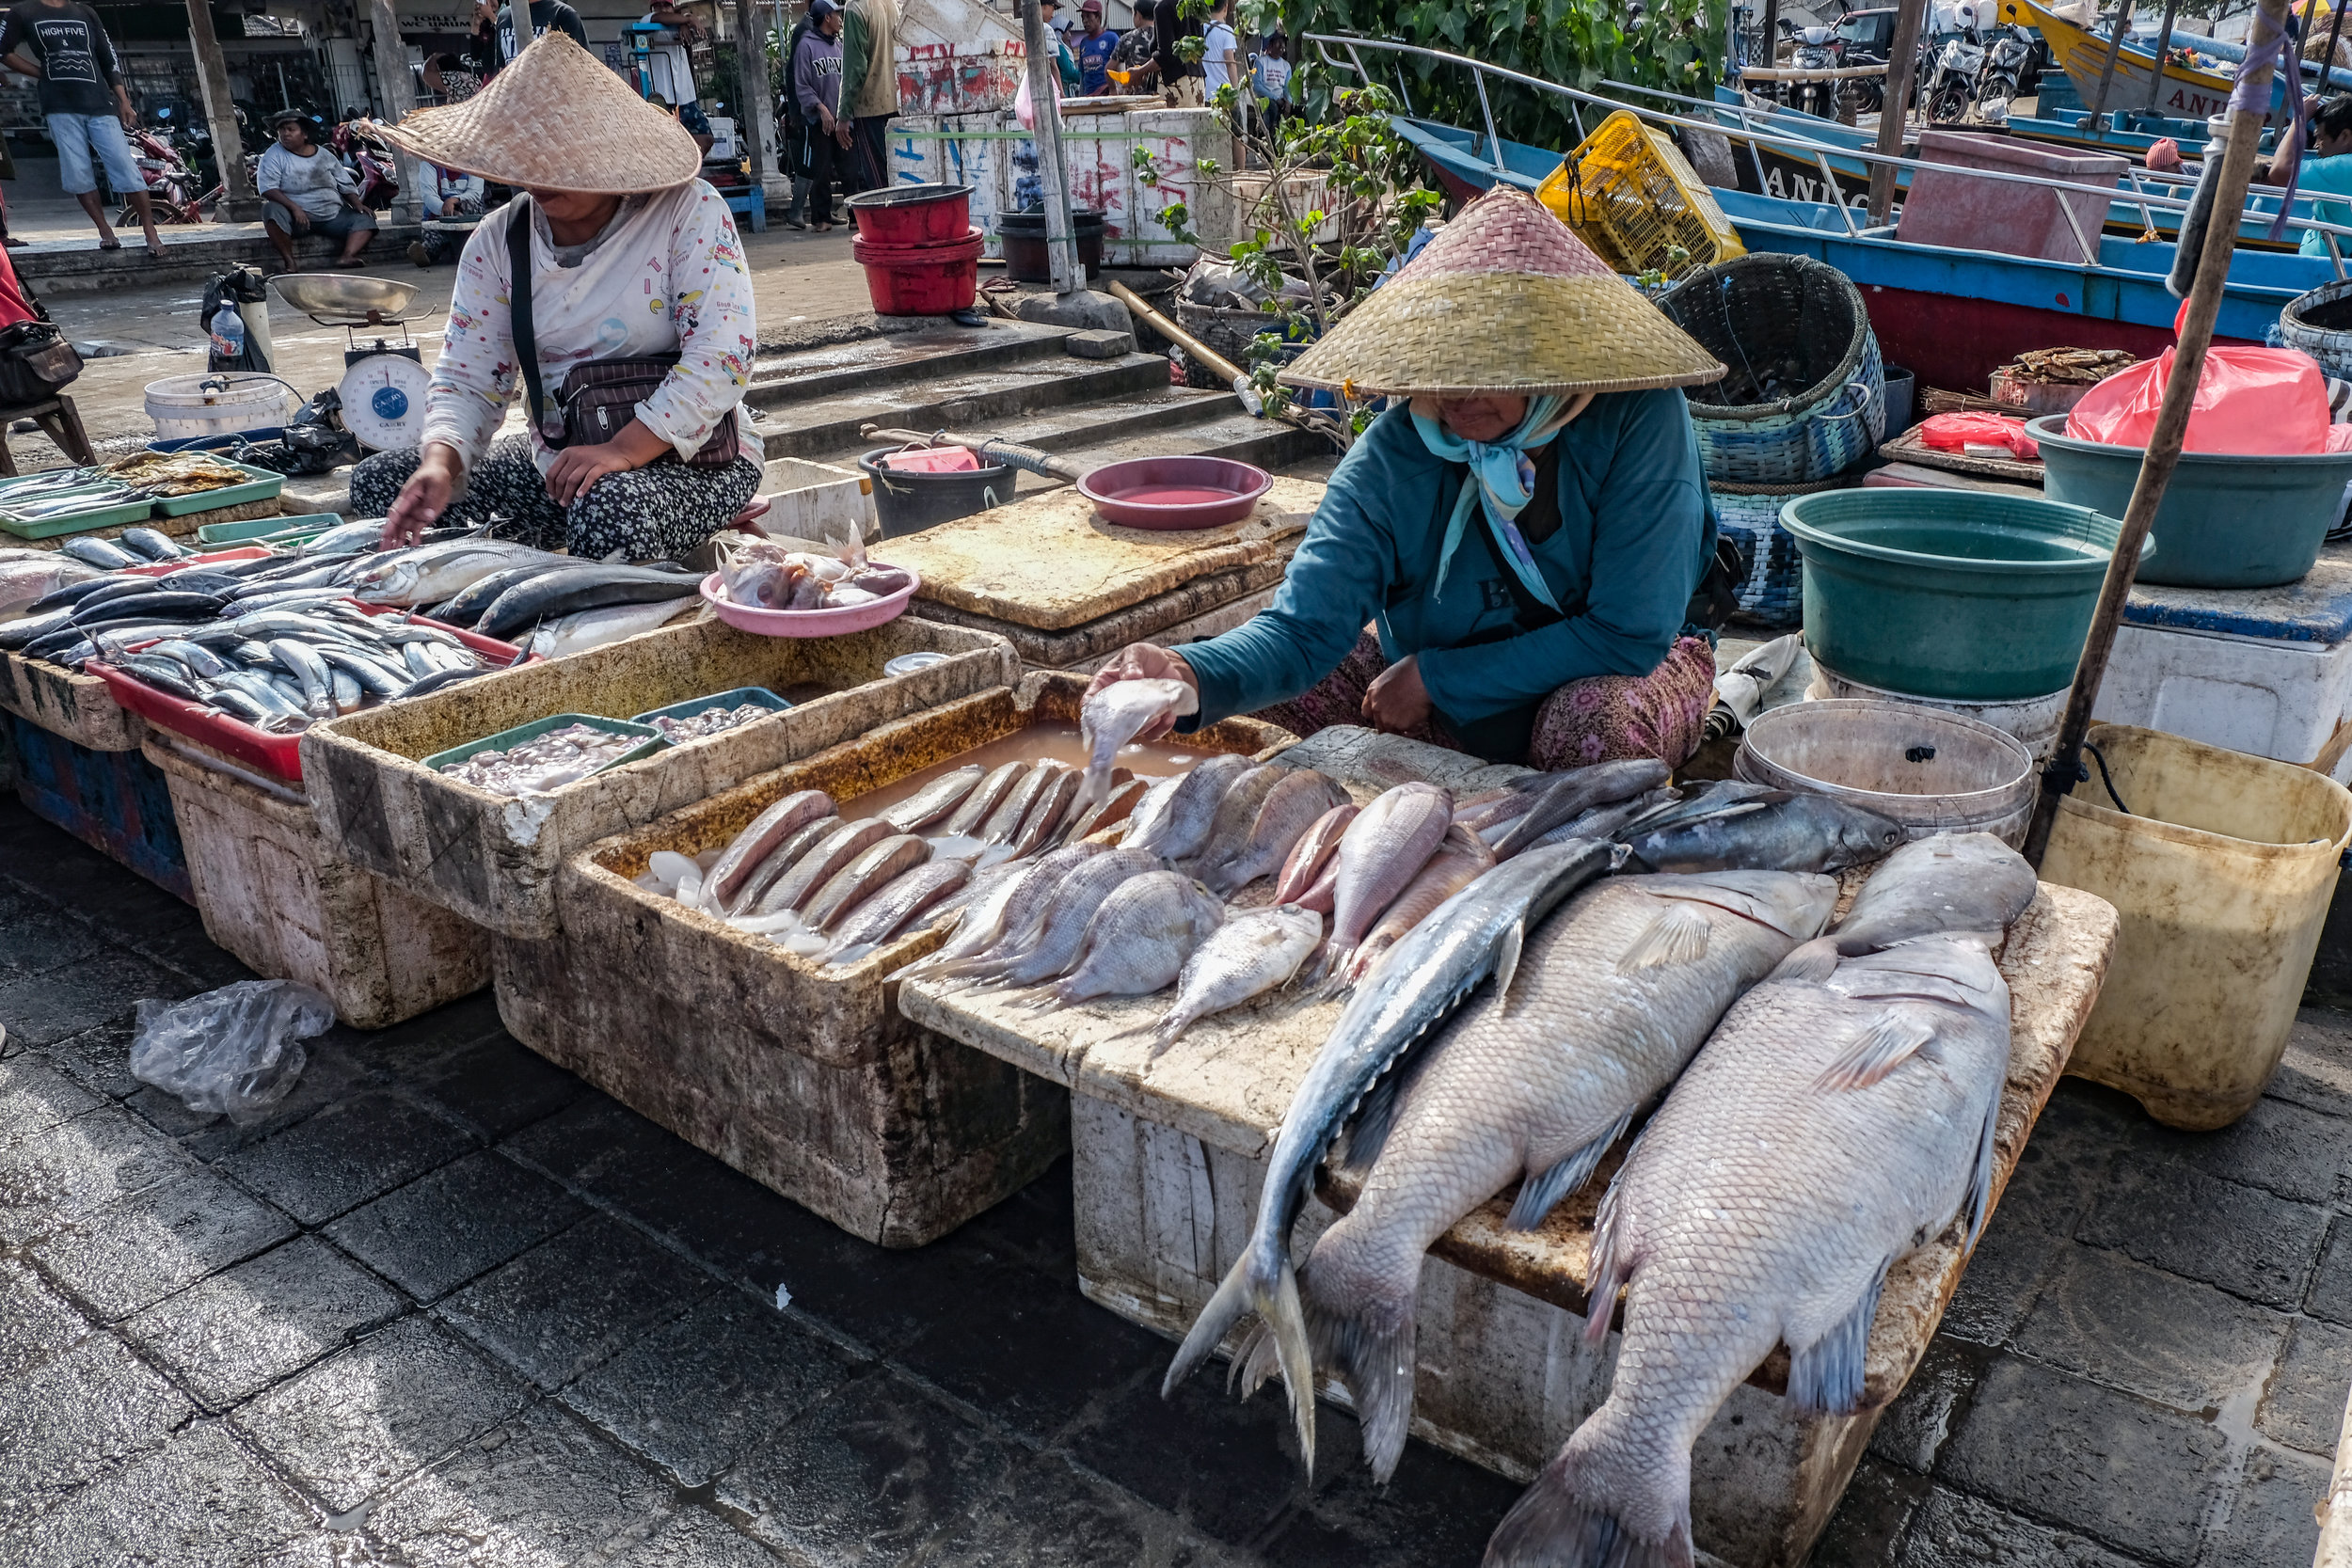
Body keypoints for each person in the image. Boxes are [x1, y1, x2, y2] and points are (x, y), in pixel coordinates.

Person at [1085, 188, 1734, 772]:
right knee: (1288, 691)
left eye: (1488, 366)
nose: (1457, 395)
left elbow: (1628, 632)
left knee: (1592, 724)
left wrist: (1437, 678)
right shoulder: (1396, 455)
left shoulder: (1637, 418)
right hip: (1441, 705)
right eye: (1442, 366)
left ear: (1549, 360)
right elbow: (1301, 628)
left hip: (1618, 676)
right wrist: (1184, 671)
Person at [357, 31, 760, 562]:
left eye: (560, 160)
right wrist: (441, 461)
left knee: (610, 511)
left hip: (694, 457)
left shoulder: (688, 210)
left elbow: (723, 356)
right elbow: (468, 377)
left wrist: (623, 450)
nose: (538, 176)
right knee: (379, 484)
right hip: (561, 465)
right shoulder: (498, 242)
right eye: (525, 158)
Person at [0, 0, 159, 256]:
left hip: (99, 103)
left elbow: (108, 58)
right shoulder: (23, 12)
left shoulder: (84, 12)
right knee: (78, 172)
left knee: (125, 166)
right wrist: (41, 72)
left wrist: (124, 101)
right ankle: (104, 230)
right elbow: (3, 50)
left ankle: (150, 231)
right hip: (59, 106)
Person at [257, 111, 375, 271]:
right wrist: (294, 208)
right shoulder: (274, 155)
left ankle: (348, 256)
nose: (285, 134)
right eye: (281, 130)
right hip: (295, 220)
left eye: (290, 130)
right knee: (270, 210)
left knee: (365, 219)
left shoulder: (324, 155)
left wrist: (356, 203)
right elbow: (267, 188)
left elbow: (344, 183)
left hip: (332, 216)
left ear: (304, 134)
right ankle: (289, 261)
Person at [835, 0, 898, 193]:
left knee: (879, 184)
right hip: (898, 104)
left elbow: (855, 69)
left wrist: (844, 114)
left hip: (871, 107)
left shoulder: (856, 7)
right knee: (898, 177)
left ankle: (886, 223)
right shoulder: (893, 5)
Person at [792, 0, 845, 229]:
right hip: (818, 119)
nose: (840, 19)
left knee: (848, 168)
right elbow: (802, 85)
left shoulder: (839, 46)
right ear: (826, 18)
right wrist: (821, 109)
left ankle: (854, 216)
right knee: (821, 169)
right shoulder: (806, 45)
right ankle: (820, 217)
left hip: (842, 118)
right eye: (837, 14)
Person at [2287, 95, 2352, 259]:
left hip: (2330, 277)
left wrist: (2299, 120)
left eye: (2320, 137)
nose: (2316, 145)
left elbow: (2280, 170)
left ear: (2345, 137)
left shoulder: (2343, 168)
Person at [493, 0, 586, 67]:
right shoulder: (504, 17)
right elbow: (501, 68)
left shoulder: (562, 14)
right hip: (513, 91)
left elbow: (583, 64)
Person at [1152, 0, 1201, 105]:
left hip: (1174, 83)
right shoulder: (1195, 4)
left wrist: (1138, 73)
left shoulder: (1163, 7)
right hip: (1197, 82)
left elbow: (1166, 55)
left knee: (1173, 122)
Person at [1075, 0, 1119, 94]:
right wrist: (1081, 98)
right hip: (1089, 98)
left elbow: (1120, 68)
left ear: (1098, 17)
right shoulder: (1084, 43)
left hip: (1107, 95)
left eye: (1088, 17)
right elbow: (1082, 75)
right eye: (1082, 17)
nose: (1085, 21)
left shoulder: (1111, 38)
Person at [1040, 0, 1081, 93]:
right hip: (1060, 89)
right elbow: (1055, 67)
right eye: (1053, 8)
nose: (1070, 35)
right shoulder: (1048, 32)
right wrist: (1061, 93)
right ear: (1045, 6)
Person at [1200, 0, 1239, 97]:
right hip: (1223, 94)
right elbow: (1230, 63)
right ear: (1225, 7)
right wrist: (1236, 91)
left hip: (1203, 92)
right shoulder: (1227, 31)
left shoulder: (1200, 29)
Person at [1106, 19, 1156, 93]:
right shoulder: (1162, 35)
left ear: (1138, 15)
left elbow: (1109, 68)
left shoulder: (1128, 38)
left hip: (1135, 97)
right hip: (1160, 96)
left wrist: (1113, 90)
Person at [1253, 30, 1289, 131]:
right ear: (1270, 44)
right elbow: (1257, 86)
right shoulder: (1260, 62)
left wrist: (1288, 102)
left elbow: (1287, 86)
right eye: (1279, 42)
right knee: (1271, 107)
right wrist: (1275, 98)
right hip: (1265, 98)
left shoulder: (1286, 66)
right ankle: (1266, 134)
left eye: (1283, 43)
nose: (1282, 46)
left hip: (1281, 99)